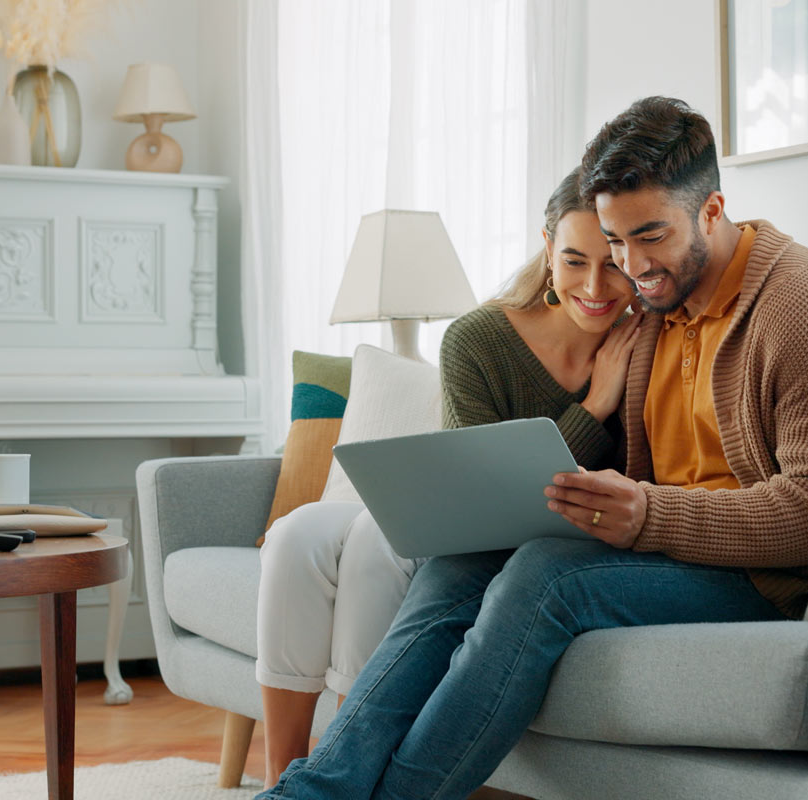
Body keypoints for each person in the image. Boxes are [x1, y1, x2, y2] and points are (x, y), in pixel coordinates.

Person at [255, 96, 808, 800]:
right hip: (660, 551)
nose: (631, 266)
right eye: (618, 240)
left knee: (546, 576)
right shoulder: (654, 307)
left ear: (712, 209)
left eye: (650, 235)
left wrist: (650, 516)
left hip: (761, 576)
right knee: (459, 564)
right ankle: (311, 791)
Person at [255, 166, 640, 788]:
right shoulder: (479, 339)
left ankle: (321, 787)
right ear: (547, 251)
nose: (596, 286)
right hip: (472, 533)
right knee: (302, 538)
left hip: (560, 545)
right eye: (574, 261)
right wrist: (594, 409)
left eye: (613, 263)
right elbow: (481, 503)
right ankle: (292, 776)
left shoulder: (644, 344)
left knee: (375, 555)